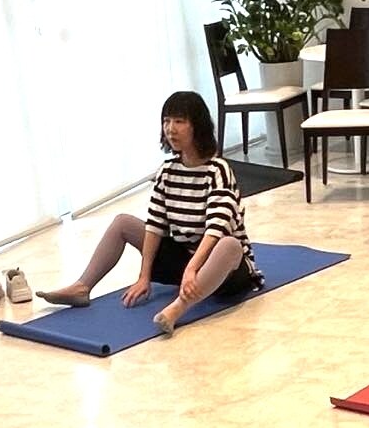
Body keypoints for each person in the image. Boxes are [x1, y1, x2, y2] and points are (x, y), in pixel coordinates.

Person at [40, 91, 261, 335]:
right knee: (123, 223)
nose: (171, 129)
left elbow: (215, 230)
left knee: (229, 245)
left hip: (224, 269)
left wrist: (191, 269)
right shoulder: (167, 172)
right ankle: (82, 287)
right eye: (166, 121)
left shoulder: (218, 170)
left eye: (179, 121)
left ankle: (178, 308)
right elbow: (155, 225)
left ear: (197, 126)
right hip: (185, 261)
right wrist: (144, 276)